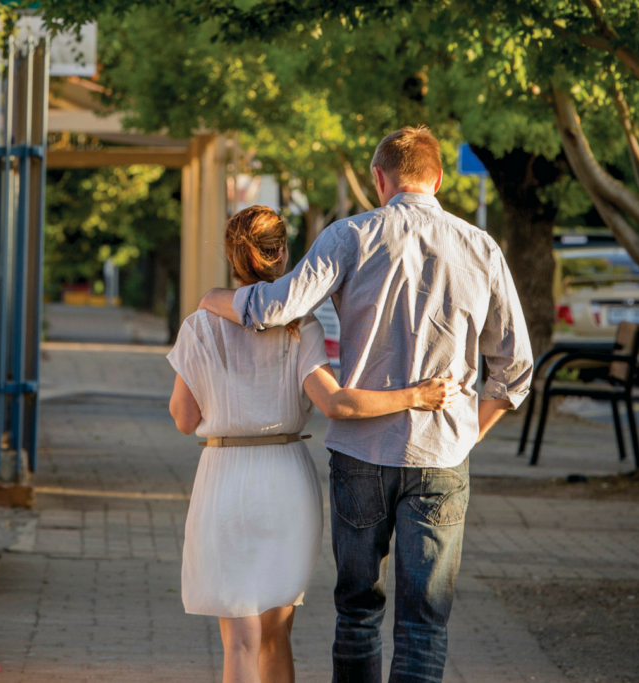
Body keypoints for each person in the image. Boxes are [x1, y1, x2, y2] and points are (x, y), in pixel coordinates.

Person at [199, 127, 534, 683]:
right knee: (425, 622)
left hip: (361, 455)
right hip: (441, 456)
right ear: (439, 178)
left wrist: (218, 300)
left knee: (357, 612)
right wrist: (466, 433)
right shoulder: (482, 248)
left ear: (379, 178)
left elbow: (277, 307)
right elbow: (515, 369)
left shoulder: (349, 236)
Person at [168, 204, 464, 683]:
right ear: (283, 254)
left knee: (238, 640)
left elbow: (184, 418)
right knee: (274, 635)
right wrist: (416, 395)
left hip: (222, 477)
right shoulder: (301, 327)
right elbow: (336, 405)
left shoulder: (198, 326)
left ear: (231, 255)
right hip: (285, 476)